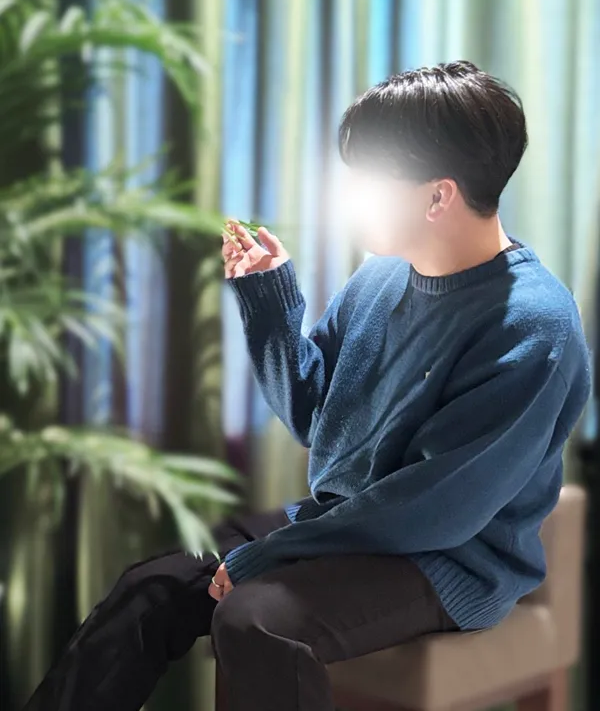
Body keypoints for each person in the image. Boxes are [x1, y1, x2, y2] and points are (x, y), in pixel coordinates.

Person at [24, 61, 591, 711]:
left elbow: (432, 509)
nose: (352, 194)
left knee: (254, 619)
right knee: (151, 587)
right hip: (347, 523)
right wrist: (268, 298)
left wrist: (270, 556)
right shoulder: (381, 276)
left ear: (438, 197)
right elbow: (314, 419)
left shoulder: (534, 325)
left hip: (449, 557)